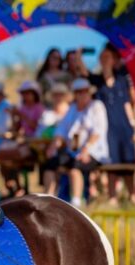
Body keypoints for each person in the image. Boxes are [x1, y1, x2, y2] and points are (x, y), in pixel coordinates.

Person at [86, 43, 135, 206]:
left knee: (129, 162)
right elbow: (81, 71)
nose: (105, 60)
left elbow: (130, 101)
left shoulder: (122, 79)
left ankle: (132, 195)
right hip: (108, 130)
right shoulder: (96, 80)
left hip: (124, 126)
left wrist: (133, 123)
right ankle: (112, 197)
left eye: (108, 57)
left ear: (114, 59)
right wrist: (80, 54)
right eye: (102, 58)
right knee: (111, 163)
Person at [44, 78, 109, 207]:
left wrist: (86, 149)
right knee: (50, 164)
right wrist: (53, 146)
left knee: (75, 166)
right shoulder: (72, 109)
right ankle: (48, 200)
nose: (81, 94)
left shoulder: (96, 106)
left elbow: (98, 132)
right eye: (78, 92)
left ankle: (76, 202)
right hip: (73, 151)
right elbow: (61, 131)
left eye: (84, 91)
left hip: (94, 152)